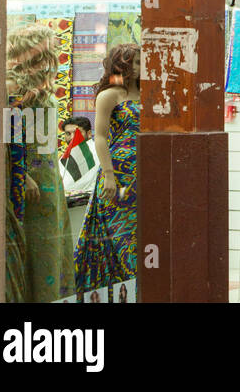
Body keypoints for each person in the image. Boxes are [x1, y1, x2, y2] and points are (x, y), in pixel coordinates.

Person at [4, 24, 75, 303]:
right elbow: (6, 135)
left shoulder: (43, 90)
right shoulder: (11, 86)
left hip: (50, 179)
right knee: (35, 248)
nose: (52, 53)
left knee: (53, 247)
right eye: (46, 47)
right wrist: (22, 177)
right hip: (29, 180)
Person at [75, 41, 141, 292]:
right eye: (136, 62)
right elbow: (99, 136)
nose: (141, 66)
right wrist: (109, 175)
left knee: (140, 234)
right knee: (118, 236)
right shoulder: (110, 95)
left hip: (143, 173)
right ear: (122, 64)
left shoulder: (149, 95)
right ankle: (120, 290)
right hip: (119, 175)